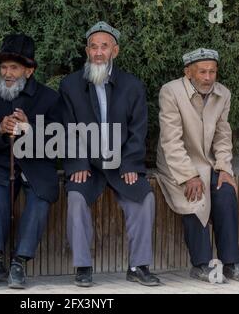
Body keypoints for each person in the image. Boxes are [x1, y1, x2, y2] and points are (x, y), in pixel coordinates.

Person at [59, 21, 160, 287]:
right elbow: (68, 129)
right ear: (87, 51)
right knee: (76, 197)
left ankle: (138, 266)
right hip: (88, 164)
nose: (99, 52)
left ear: (115, 51)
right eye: (94, 47)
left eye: (104, 47)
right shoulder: (70, 85)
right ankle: (83, 267)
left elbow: (139, 130)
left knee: (144, 198)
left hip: (120, 164)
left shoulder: (132, 85)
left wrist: (130, 164)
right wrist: (78, 162)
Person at [155, 48, 239, 283]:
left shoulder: (223, 94)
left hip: (208, 163)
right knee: (195, 196)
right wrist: (189, 175)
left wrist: (224, 168)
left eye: (212, 72)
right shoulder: (171, 91)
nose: (208, 77)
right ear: (188, 72)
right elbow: (171, 140)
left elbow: (222, 136)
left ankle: (231, 263)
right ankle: (201, 264)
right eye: (202, 72)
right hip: (176, 163)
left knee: (226, 192)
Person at [0, 34, 61, 289]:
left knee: (40, 197)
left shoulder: (50, 98)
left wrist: (30, 127)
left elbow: (59, 139)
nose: (7, 73)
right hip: (2, 163)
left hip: (37, 165)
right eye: (3, 67)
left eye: (14, 67)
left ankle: (19, 263)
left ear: (30, 70)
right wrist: (0, 129)